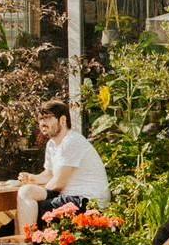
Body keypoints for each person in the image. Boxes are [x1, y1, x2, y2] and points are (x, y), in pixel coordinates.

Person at [16, 100, 110, 235]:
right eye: (40, 119)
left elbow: (58, 183)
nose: (42, 123)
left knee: (31, 207)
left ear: (63, 120)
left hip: (87, 200)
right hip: (71, 197)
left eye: (47, 118)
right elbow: (49, 174)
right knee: (19, 214)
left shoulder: (72, 141)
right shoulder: (52, 145)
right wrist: (32, 178)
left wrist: (32, 190)